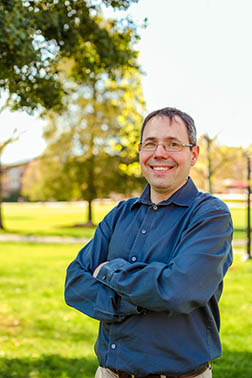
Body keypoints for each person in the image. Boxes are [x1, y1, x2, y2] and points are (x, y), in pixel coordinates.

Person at [65, 107, 233, 378]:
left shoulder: (210, 215)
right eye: (150, 144)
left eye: (173, 144)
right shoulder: (120, 214)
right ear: (140, 152)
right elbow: (74, 283)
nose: (159, 153)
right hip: (108, 373)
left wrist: (109, 271)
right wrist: (140, 298)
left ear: (194, 154)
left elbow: (179, 290)